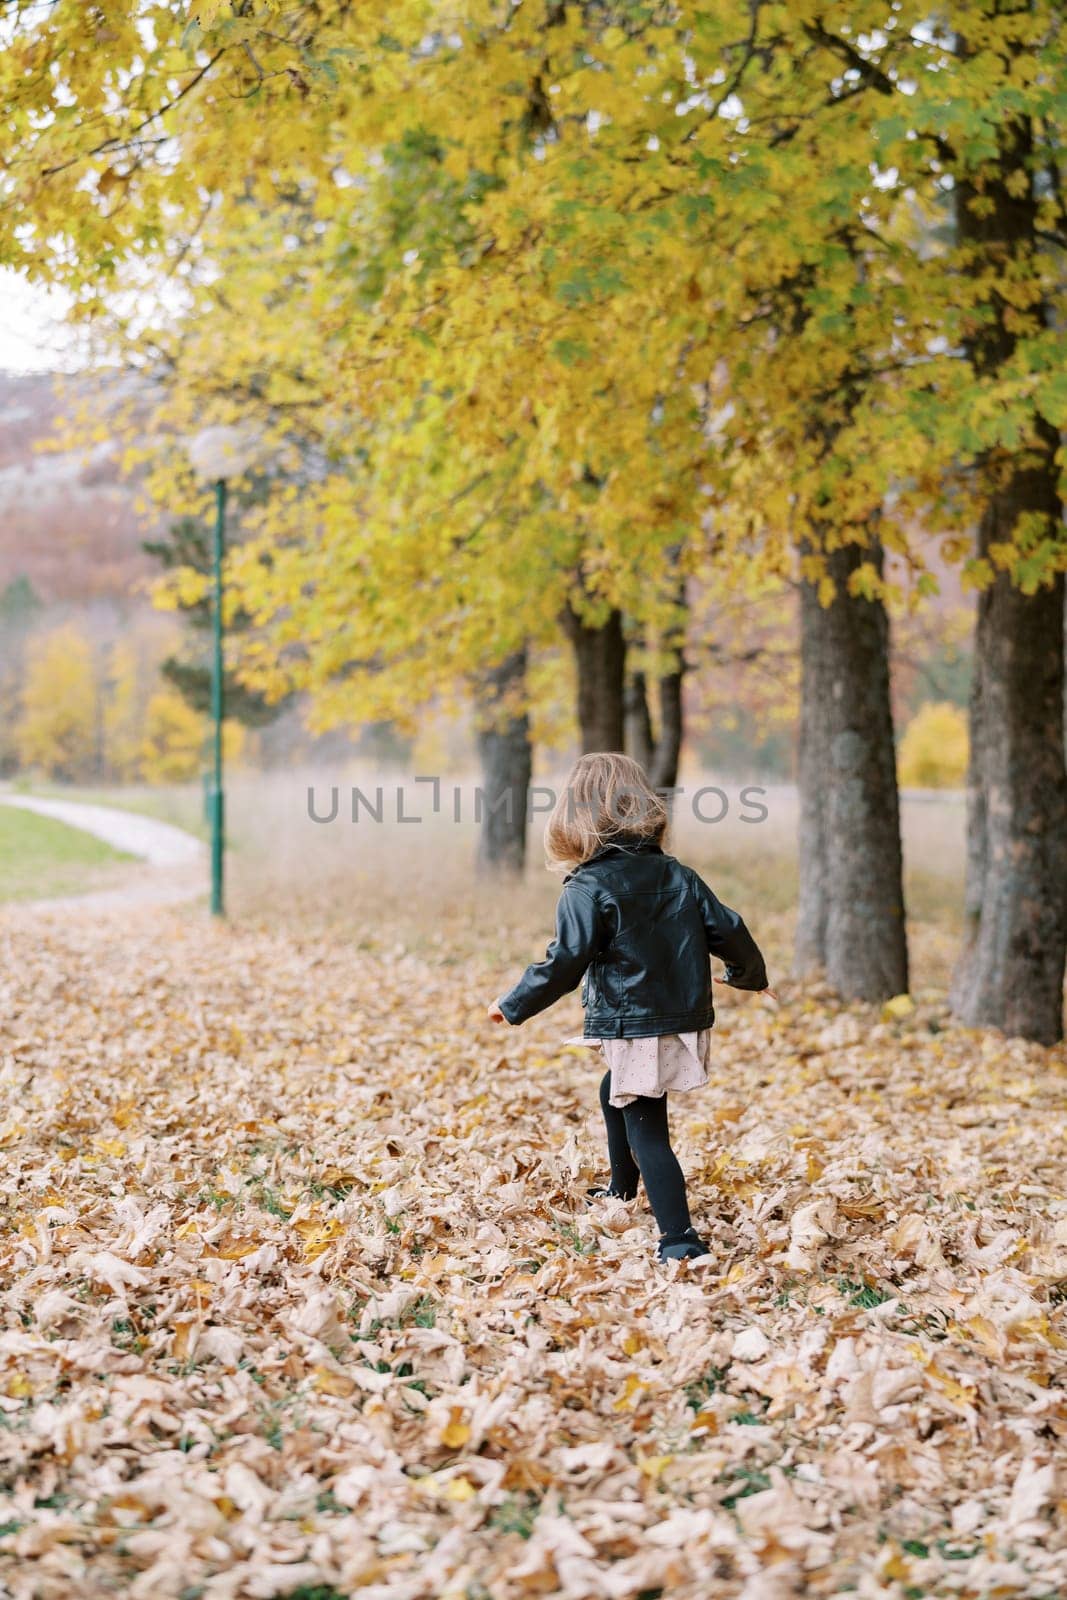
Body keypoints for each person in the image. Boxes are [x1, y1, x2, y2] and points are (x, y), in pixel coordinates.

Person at [487, 751, 774, 1263]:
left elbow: (565, 961)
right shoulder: (677, 874)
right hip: (677, 1017)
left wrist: (513, 1004)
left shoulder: (586, 887)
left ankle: (679, 1238)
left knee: (646, 1124)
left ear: (574, 814)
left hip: (635, 1022)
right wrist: (749, 976)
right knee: (614, 1090)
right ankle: (621, 1188)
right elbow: (727, 928)